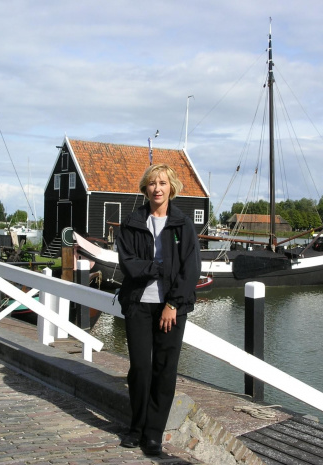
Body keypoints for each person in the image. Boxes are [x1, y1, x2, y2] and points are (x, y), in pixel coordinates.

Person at [115, 164, 200, 456]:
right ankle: (136, 427)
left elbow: (190, 269)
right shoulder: (132, 222)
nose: (157, 188)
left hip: (171, 309)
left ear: (171, 187)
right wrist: (158, 267)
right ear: (145, 189)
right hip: (138, 303)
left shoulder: (182, 225)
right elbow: (128, 263)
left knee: (165, 371)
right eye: (152, 183)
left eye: (162, 182)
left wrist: (173, 303)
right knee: (140, 368)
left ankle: (153, 433)